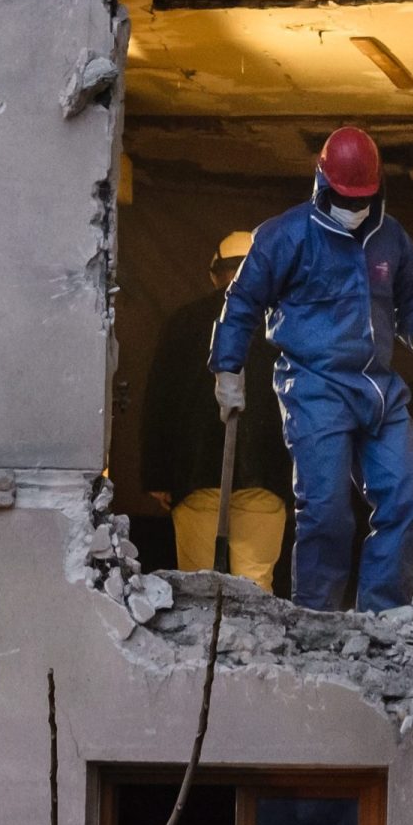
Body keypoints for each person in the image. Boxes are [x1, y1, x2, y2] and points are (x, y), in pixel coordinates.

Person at [209, 127, 413, 612]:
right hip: (314, 387)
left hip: (380, 392)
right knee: (327, 512)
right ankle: (317, 615)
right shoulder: (286, 236)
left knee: (408, 500)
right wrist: (228, 368)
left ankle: (383, 610)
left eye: (364, 198)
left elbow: (412, 307)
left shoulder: (391, 239)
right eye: (344, 196)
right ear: (321, 183)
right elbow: (242, 301)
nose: (354, 207)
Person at [142, 231, 289, 590]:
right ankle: (251, 647)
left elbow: (159, 399)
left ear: (214, 274)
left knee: (199, 589)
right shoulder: (285, 326)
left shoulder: (183, 322)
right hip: (268, 477)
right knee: (255, 588)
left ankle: (205, 648)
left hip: (194, 476)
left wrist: (157, 476)